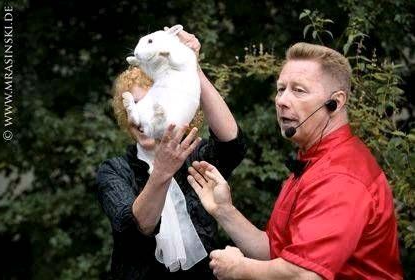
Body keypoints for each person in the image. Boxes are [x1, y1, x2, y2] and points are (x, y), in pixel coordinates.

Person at [187, 42, 403, 279]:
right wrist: (224, 210)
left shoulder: (340, 177)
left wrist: (240, 268)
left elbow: (305, 274)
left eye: (299, 90)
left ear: (336, 102)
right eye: (281, 89)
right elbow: (275, 252)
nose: (282, 100)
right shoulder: (313, 159)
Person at [96, 30, 246, 280]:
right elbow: (134, 227)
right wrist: (162, 172)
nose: (143, 117)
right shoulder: (114, 170)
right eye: (136, 105)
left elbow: (233, 145)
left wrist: (192, 66)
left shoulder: (194, 156)